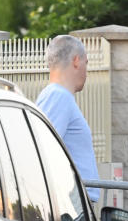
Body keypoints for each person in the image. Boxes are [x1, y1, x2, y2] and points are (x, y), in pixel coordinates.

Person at [35, 35, 101, 204]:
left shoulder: (58, 96)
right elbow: (41, 150)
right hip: (72, 203)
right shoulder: (58, 96)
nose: (87, 70)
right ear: (76, 61)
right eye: (86, 63)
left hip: (76, 201)